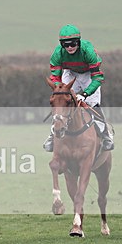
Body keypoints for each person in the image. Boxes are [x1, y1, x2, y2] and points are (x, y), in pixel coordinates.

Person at [43, 24, 115, 152]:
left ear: (78, 42)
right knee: (61, 104)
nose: (70, 47)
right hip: (70, 73)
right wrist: (60, 91)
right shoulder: (57, 53)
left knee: (93, 104)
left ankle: (106, 135)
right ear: (62, 45)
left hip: (88, 74)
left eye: (73, 44)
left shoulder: (88, 51)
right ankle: (52, 135)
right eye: (66, 45)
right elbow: (55, 78)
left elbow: (98, 77)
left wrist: (85, 94)